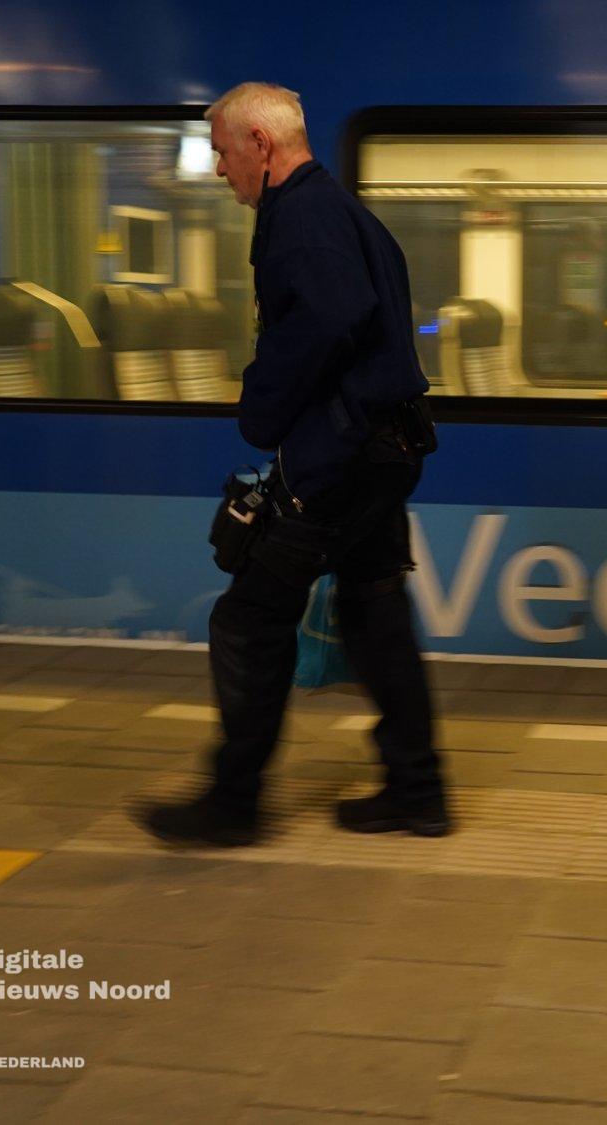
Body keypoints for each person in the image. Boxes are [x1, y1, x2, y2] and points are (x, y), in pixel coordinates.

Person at [141, 82, 447, 846]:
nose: (219, 170)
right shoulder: (338, 209)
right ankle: (417, 791)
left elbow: (329, 318)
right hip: (385, 447)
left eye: (221, 151)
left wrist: (262, 409)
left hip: (343, 458)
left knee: (249, 616)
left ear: (261, 144)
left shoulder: (303, 220)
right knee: (373, 610)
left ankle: (231, 803)